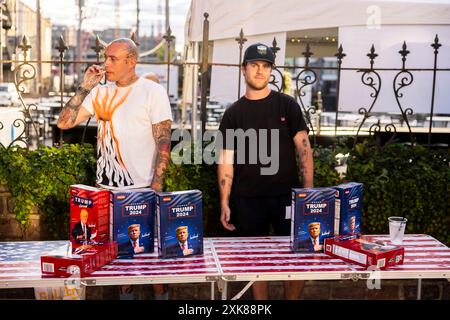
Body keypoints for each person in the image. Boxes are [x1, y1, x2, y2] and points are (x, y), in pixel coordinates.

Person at [57, 38, 172, 300]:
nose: (105, 63)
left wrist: (156, 187)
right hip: (105, 193)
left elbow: (163, 141)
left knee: (154, 265)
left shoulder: (152, 92)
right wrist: (85, 86)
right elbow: (64, 123)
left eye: (113, 58)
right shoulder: (100, 92)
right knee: (121, 267)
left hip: (140, 191)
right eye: (105, 57)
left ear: (131, 61)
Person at [217, 43, 314, 300]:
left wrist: (308, 194)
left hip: (287, 197)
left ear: (271, 70)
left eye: (266, 66)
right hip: (247, 199)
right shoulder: (233, 114)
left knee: (298, 257)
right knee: (254, 262)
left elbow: (304, 149)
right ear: (244, 69)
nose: (260, 71)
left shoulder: (287, 105)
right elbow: (226, 160)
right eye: (254, 65)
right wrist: (224, 200)